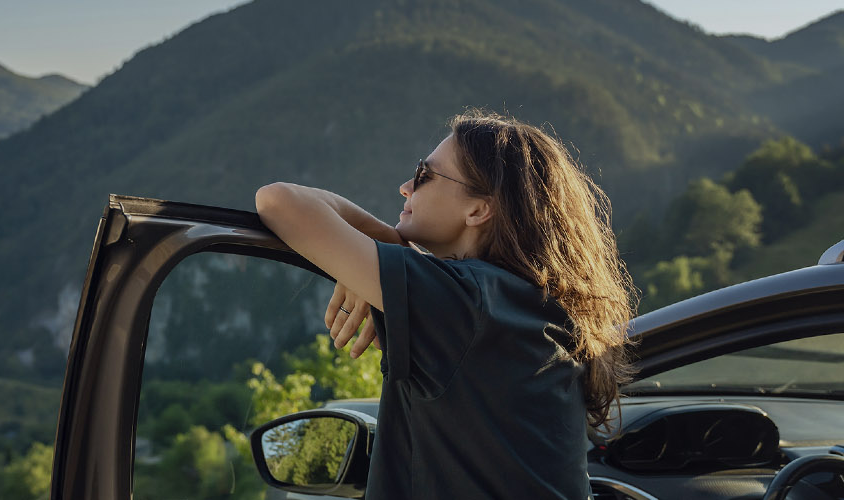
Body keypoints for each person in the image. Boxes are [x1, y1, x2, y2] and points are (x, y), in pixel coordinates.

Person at [254, 110, 635, 498]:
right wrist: (385, 259)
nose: (406, 187)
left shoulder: (466, 303)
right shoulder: (529, 306)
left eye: (424, 175)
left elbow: (278, 201)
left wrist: (387, 250)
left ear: (478, 210)